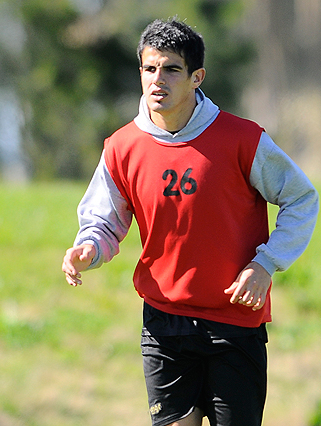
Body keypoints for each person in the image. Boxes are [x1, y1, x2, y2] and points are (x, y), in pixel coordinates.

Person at [62, 18, 318, 426]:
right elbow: (103, 222)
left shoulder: (242, 139)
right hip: (163, 322)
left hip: (234, 322)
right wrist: (88, 249)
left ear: (197, 77)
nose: (157, 80)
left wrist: (265, 264)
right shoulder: (121, 147)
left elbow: (301, 199)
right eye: (149, 69)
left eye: (171, 69)